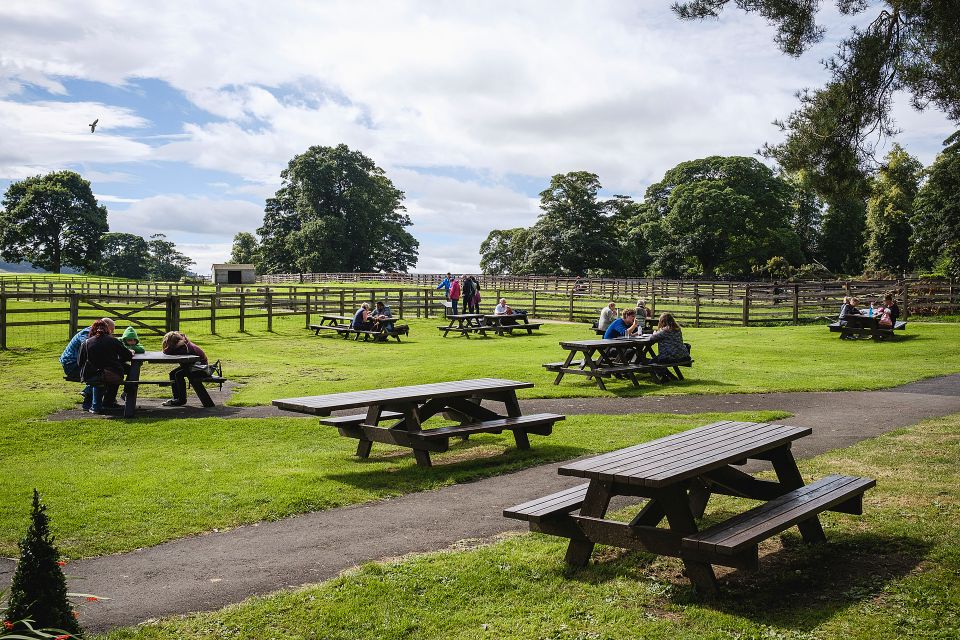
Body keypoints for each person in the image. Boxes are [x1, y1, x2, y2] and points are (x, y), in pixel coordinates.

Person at [77, 318, 131, 413]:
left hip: (91, 375)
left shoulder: (86, 343)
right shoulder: (113, 341)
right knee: (113, 374)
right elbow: (128, 356)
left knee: (98, 379)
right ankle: (108, 402)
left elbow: (80, 362)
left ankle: (93, 405)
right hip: (112, 375)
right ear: (107, 329)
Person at [61, 317, 114, 410]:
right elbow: (89, 349)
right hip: (72, 365)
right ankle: (92, 401)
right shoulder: (87, 333)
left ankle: (93, 399)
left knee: (106, 372)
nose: (111, 334)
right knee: (102, 374)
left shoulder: (95, 333)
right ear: (105, 326)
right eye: (111, 330)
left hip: (80, 364)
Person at [161, 331, 209, 407]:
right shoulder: (182, 343)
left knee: (178, 374)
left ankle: (181, 399)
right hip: (192, 366)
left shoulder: (184, 347)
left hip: (200, 368)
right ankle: (176, 398)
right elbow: (167, 351)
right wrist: (177, 345)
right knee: (172, 373)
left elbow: (167, 351)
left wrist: (175, 346)